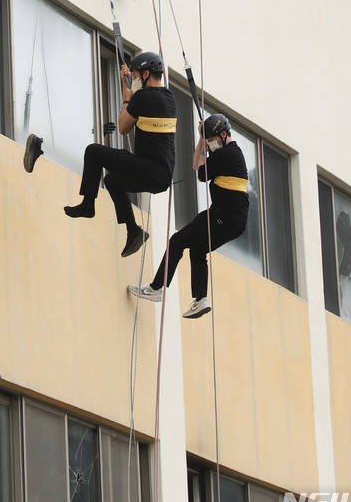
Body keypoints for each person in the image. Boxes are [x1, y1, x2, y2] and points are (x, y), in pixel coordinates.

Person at [128, 113, 249, 318]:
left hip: (223, 215)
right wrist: (202, 138)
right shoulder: (230, 154)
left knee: (177, 241)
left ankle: (157, 288)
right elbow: (197, 164)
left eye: (212, 140)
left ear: (223, 134)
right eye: (209, 141)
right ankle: (200, 299)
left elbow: (199, 172)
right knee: (197, 249)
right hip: (235, 222)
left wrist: (203, 139)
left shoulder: (227, 155)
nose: (210, 145)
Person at [62, 51, 176, 258]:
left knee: (93, 152)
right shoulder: (169, 98)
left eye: (136, 75)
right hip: (162, 177)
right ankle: (133, 231)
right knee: (112, 181)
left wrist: (126, 99)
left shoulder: (142, 97)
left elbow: (123, 128)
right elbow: (140, 107)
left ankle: (88, 205)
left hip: (150, 169)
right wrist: (127, 86)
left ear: (146, 73)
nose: (134, 79)